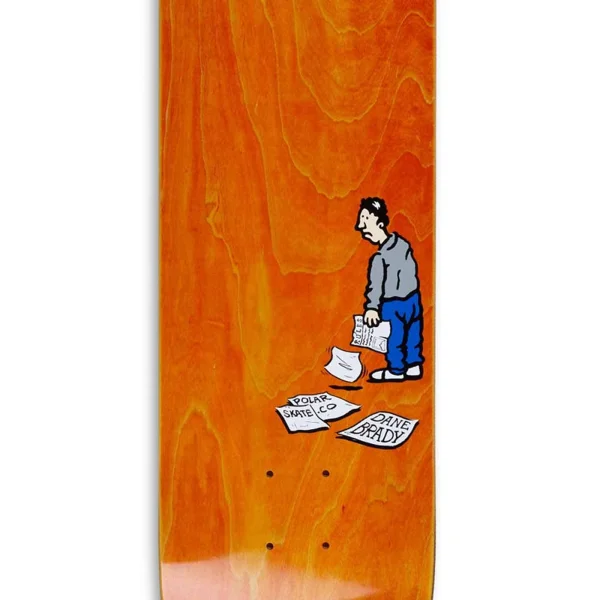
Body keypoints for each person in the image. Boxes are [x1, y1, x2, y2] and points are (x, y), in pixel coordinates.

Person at [355, 197, 424, 382]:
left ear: (379, 221)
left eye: (365, 219)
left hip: (393, 304)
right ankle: (413, 365)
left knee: (394, 338)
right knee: (412, 333)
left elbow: (376, 285)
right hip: (413, 299)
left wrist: (372, 308)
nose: (360, 226)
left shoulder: (379, 258)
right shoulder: (403, 244)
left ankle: (396, 370)